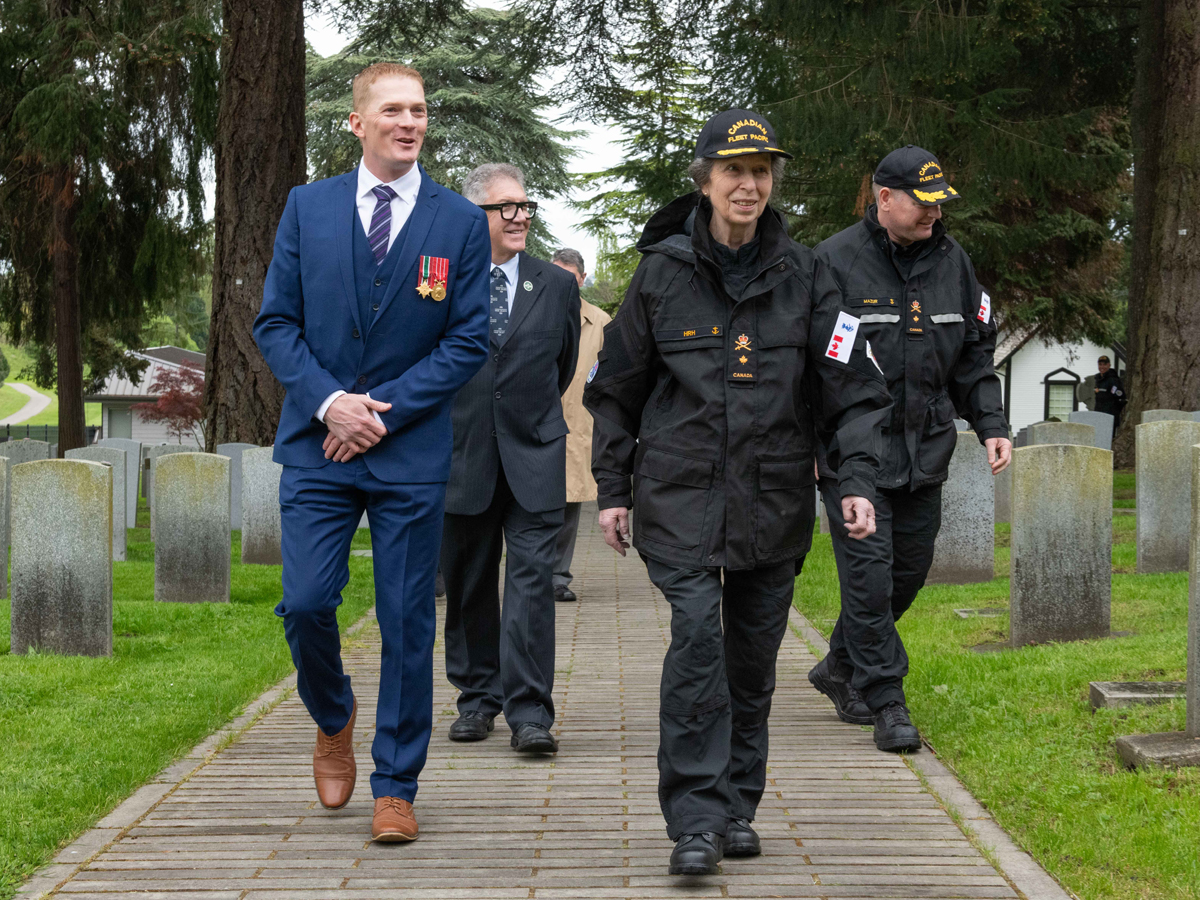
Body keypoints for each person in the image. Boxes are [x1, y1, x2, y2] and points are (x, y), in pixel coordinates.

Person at [585, 110, 891, 876]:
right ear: (706, 180)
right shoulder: (661, 274)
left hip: (774, 501)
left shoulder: (812, 275)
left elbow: (850, 392)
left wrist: (853, 480)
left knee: (752, 662)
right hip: (679, 497)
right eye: (733, 171)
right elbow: (616, 390)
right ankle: (693, 818)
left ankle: (735, 806)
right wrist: (611, 489)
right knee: (696, 643)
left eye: (760, 172)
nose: (748, 185)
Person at [253, 64, 490, 843]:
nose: (409, 121)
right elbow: (275, 324)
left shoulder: (457, 221)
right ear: (357, 122)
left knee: (405, 618)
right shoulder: (307, 208)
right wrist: (331, 403)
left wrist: (380, 416)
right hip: (317, 446)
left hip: (407, 451)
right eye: (393, 109)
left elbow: (467, 339)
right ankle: (333, 713)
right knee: (308, 602)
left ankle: (396, 785)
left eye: (420, 110)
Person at [807, 145, 1012, 754]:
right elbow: (821, 369)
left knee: (909, 574)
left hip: (927, 450)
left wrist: (992, 419)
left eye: (940, 203)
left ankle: (838, 666)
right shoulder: (834, 262)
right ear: (884, 197)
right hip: (853, 454)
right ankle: (886, 700)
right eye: (923, 203)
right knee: (869, 581)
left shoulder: (954, 261)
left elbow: (973, 351)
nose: (935, 215)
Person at [439, 163, 581, 752]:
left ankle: (530, 713)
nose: (520, 215)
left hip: (533, 453)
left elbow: (564, 365)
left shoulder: (556, 285)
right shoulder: (441, 281)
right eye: (506, 207)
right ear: (478, 217)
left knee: (530, 585)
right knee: (470, 583)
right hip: (463, 453)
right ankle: (477, 699)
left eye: (525, 205)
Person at [550, 247, 611, 602]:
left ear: (582, 279)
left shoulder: (601, 323)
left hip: (576, 426)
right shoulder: (532, 312)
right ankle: (527, 572)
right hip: (531, 424)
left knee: (569, 505)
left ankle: (558, 576)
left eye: (570, 279)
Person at [1093, 355, 1126, 426]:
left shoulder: (1113, 380)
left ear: (1109, 365)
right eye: (1100, 364)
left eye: (1104, 364)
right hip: (1098, 414)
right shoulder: (1097, 380)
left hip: (1110, 415)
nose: (1102, 367)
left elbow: (1120, 397)